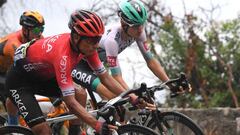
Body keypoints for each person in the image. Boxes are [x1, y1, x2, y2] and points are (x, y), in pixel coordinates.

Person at [4, 9, 136, 135]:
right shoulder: (63, 56)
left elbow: (105, 77)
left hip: (42, 77)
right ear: (77, 37)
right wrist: (97, 125)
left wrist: (131, 96)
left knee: (80, 93)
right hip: (19, 83)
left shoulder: (87, 47)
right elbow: (71, 103)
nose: (96, 45)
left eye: (98, 39)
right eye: (92, 40)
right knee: (44, 131)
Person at [72, 0, 170, 100]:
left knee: (115, 102)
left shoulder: (138, 33)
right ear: (124, 24)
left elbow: (151, 62)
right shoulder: (112, 41)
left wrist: (169, 83)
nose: (140, 29)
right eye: (136, 26)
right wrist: (134, 96)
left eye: (142, 24)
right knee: (112, 96)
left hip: (95, 66)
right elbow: (116, 77)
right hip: (78, 65)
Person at [0, 10, 45, 125]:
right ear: (25, 30)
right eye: (36, 30)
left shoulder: (37, 37)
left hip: (6, 70)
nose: (40, 34)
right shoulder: (13, 44)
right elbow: (29, 68)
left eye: (41, 29)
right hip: (2, 73)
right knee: (13, 95)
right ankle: (12, 128)